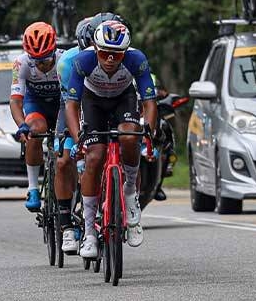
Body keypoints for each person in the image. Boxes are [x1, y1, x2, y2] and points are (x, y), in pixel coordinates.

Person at [64, 20, 158, 258]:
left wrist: (148, 131)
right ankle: (89, 233)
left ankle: (129, 195)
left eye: (117, 55)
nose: (110, 59)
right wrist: (78, 139)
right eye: (105, 53)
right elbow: (72, 105)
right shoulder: (83, 61)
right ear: (95, 49)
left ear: (125, 53)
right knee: (94, 157)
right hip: (93, 102)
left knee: (129, 136)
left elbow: (149, 102)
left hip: (122, 100)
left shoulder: (136, 60)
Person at [11, 22, 81, 253]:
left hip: (62, 106)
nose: (41, 65)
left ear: (54, 50)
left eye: (46, 59)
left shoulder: (64, 60)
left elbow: (72, 101)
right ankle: (33, 187)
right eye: (36, 60)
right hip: (37, 106)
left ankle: (70, 204)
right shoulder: (21, 63)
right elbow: (16, 101)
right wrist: (21, 125)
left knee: (66, 153)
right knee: (34, 131)